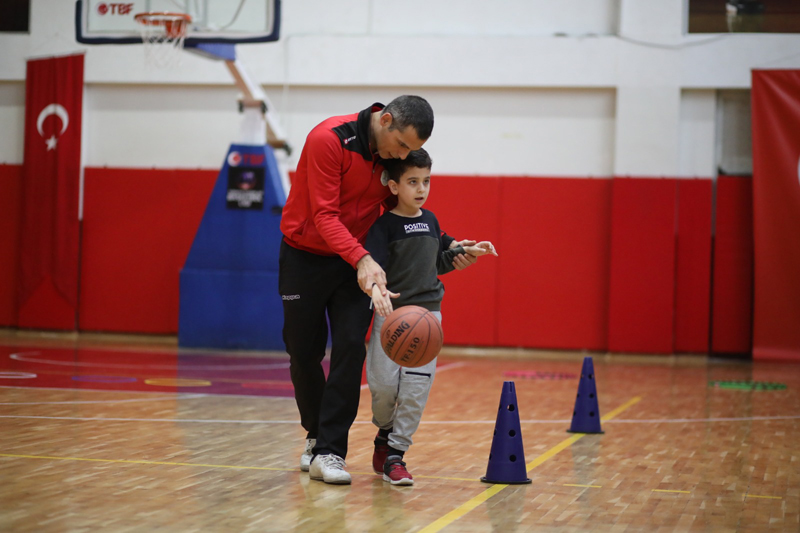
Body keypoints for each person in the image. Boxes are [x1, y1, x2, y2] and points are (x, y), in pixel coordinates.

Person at [279, 95, 476, 485]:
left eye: (411, 150)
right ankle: (316, 434)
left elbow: (407, 209)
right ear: (384, 120)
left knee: (351, 347)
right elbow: (324, 215)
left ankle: (331, 452)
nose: (402, 155)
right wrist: (363, 259)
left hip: (354, 261)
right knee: (303, 353)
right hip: (305, 255)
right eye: (402, 145)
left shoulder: (391, 155)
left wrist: (449, 246)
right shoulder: (328, 140)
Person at [365, 148, 497, 485]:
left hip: (428, 317)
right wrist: (377, 291)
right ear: (393, 186)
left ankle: (396, 455)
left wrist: (467, 251)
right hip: (391, 315)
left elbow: (438, 261)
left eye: (425, 181)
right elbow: (374, 270)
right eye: (412, 182)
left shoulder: (432, 220)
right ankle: (384, 431)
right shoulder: (382, 227)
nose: (421, 188)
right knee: (382, 388)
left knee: (415, 389)